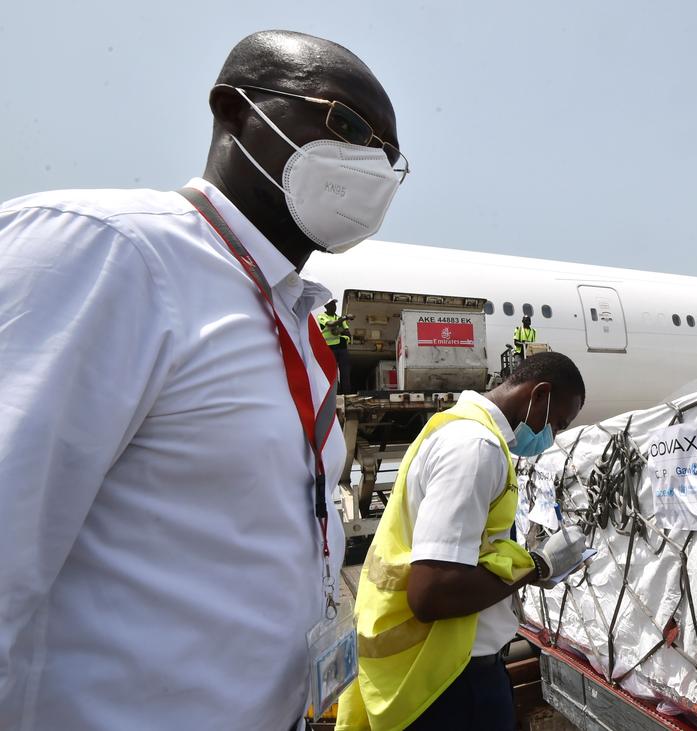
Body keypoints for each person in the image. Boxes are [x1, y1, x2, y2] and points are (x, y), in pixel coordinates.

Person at [0, 31, 408, 729]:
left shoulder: (297, 323)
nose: (370, 160)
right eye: (345, 124)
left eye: (388, 154)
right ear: (234, 111)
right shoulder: (111, 251)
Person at [339, 352, 591, 731]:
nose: (550, 438)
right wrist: (538, 565)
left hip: (436, 668)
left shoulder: (453, 429)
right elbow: (432, 594)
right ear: (539, 394)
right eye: (556, 423)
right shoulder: (475, 449)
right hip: (447, 680)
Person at [319, 299, 353, 393]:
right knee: (332, 373)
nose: (334, 307)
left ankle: (346, 394)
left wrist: (340, 332)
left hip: (342, 348)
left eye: (335, 305)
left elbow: (347, 332)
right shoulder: (322, 316)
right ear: (326, 306)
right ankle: (334, 394)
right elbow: (331, 324)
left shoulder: (339, 318)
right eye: (332, 305)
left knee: (345, 373)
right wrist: (344, 318)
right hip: (330, 349)